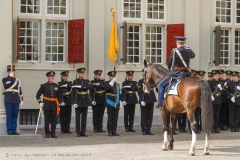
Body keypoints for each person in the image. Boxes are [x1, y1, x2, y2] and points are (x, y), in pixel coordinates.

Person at [157, 36, 195, 109]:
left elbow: (170, 63)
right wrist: (188, 47)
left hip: (176, 74)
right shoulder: (188, 51)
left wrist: (170, 71)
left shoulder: (174, 51)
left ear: (177, 43)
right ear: (184, 43)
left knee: (161, 85)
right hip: (186, 73)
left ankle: (160, 104)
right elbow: (193, 55)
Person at [36, 71, 63, 138]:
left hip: (54, 105)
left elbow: (59, 96)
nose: (52, 78)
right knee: (47, 120)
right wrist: (40, 102)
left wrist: (59, 105)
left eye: (53, 77)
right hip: (47, 105)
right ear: (48, 77)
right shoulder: (44, 85)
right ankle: (47, 133)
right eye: (50, 77)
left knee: (54, 120)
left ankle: (53, 133)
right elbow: (38, 95)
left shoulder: (57, 85)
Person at [2, 65, 23, 135]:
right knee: (9, 115)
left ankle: (14, 130)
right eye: (10, 71)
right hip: (8, 99)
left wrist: (21, 99)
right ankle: (9, 130)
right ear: (8, 72)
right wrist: (10, 77)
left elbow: (20, 89)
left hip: (16, 99)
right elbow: (7, 86)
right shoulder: (5, 79)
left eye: (13, 71)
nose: (12, 72)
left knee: (15, 116)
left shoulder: (17, 79)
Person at [71, 68, 92, 137]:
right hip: (78, 100)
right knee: (77, 117)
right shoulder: (75, 81)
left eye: (83, 73)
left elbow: (90, 87)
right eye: (80, 73)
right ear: (78, 74)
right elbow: (73, 92)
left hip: (85, 100)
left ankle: (83, 131)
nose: (82, 74)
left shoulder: (87, 81)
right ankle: (78, 132)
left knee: (84, 117)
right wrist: (74, 102)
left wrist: (83, 86)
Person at [138, 69, 157, 135]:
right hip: (144, 99)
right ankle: (144, 130)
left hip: (151, 99)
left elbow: (155, 85)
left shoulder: (151, 80)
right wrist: (141, 100)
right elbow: (139, 91)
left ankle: (148, 129)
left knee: (150, 116)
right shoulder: (140, 81)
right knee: (144, 116)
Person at [104, 71, 120, 136]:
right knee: (110, 117)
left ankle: (114, 130)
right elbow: (106, 88)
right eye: (111, 76)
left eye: (113, 76)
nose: (112, 77)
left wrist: (120, 101)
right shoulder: (106, 83)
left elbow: (119, 93)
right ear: (109, 77)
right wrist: (112, 82)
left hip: (116, 102)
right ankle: (110, 131)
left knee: (115, 118)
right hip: (110, 102)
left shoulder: (117, 84)